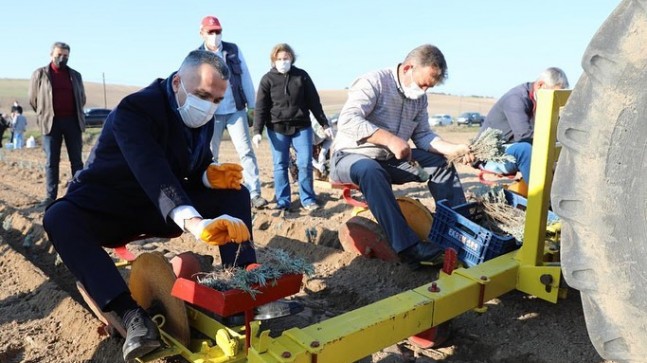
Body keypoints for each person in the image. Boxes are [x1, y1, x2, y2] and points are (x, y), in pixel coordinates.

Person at [43, 50, 257, 361]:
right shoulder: (136, 109)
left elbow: (190, 166)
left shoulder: (199, 115)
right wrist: (196, 224)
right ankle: (132, 317)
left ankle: (243, 290)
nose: (208, 106)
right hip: (112, 206)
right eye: (201, 95)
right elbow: (152, 170)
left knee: (237, 194)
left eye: (216, 100)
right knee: (58, 217)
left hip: (158, 210)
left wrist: (210, 177)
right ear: (176, 83)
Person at [329, 44, 475, 269]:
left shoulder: (419, 99)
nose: (425, 91)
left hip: (390, 160)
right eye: (424, 84)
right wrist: (390, 139)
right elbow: (348, 120)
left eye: (430, 87)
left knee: (441, 164)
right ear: (408, 68)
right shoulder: (374, 82)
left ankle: (459, 231)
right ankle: (409, 248)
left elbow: (424, 135)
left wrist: (452, 149)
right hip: (350, 157)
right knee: (370, 170)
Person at [198, 15, 268, 209]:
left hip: (235, 110)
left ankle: (254, 194)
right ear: (202, 33)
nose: (214, 35)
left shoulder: (233, 50)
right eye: (210, 32)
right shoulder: (196, 56)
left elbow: (245, 76)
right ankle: (211, 193)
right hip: (211, 113)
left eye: (217, 31)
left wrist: (252, 107)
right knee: (210, 155)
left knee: (246, 152)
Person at [253, 43, 332, 212]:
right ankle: (283, 201)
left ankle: (308, 199)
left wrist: (325, 123)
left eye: (286, 58)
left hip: (301, 127)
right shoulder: (267, 79)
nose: (283, 62)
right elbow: (261, 107)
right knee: (280, 164)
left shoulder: (301, 76)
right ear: (273, 61)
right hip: (276, 128)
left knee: (304, 163)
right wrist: (257, 131)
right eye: (279, 59)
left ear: (291, 59)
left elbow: (314, 102)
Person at [477, 67, 569, 183]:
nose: (554, 100)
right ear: (540, 85)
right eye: (553, 95)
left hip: (512, 147)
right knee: (525, 150)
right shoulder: (515, 99)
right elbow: (524, 136)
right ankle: (540, 195)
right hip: (492, 155)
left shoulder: (539, 100)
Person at [29, 42, 86, 208]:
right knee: (51, 161)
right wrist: (44, 113)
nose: (62, 58)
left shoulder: (75, 75)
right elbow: (33, 99)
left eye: (65, 56)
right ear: (51, 54)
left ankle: (78, 193)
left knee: (76, 161)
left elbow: (81, 98)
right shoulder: (40, 74)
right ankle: (50, 196)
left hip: (72, 122)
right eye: (59, 55)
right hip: (51, 122)